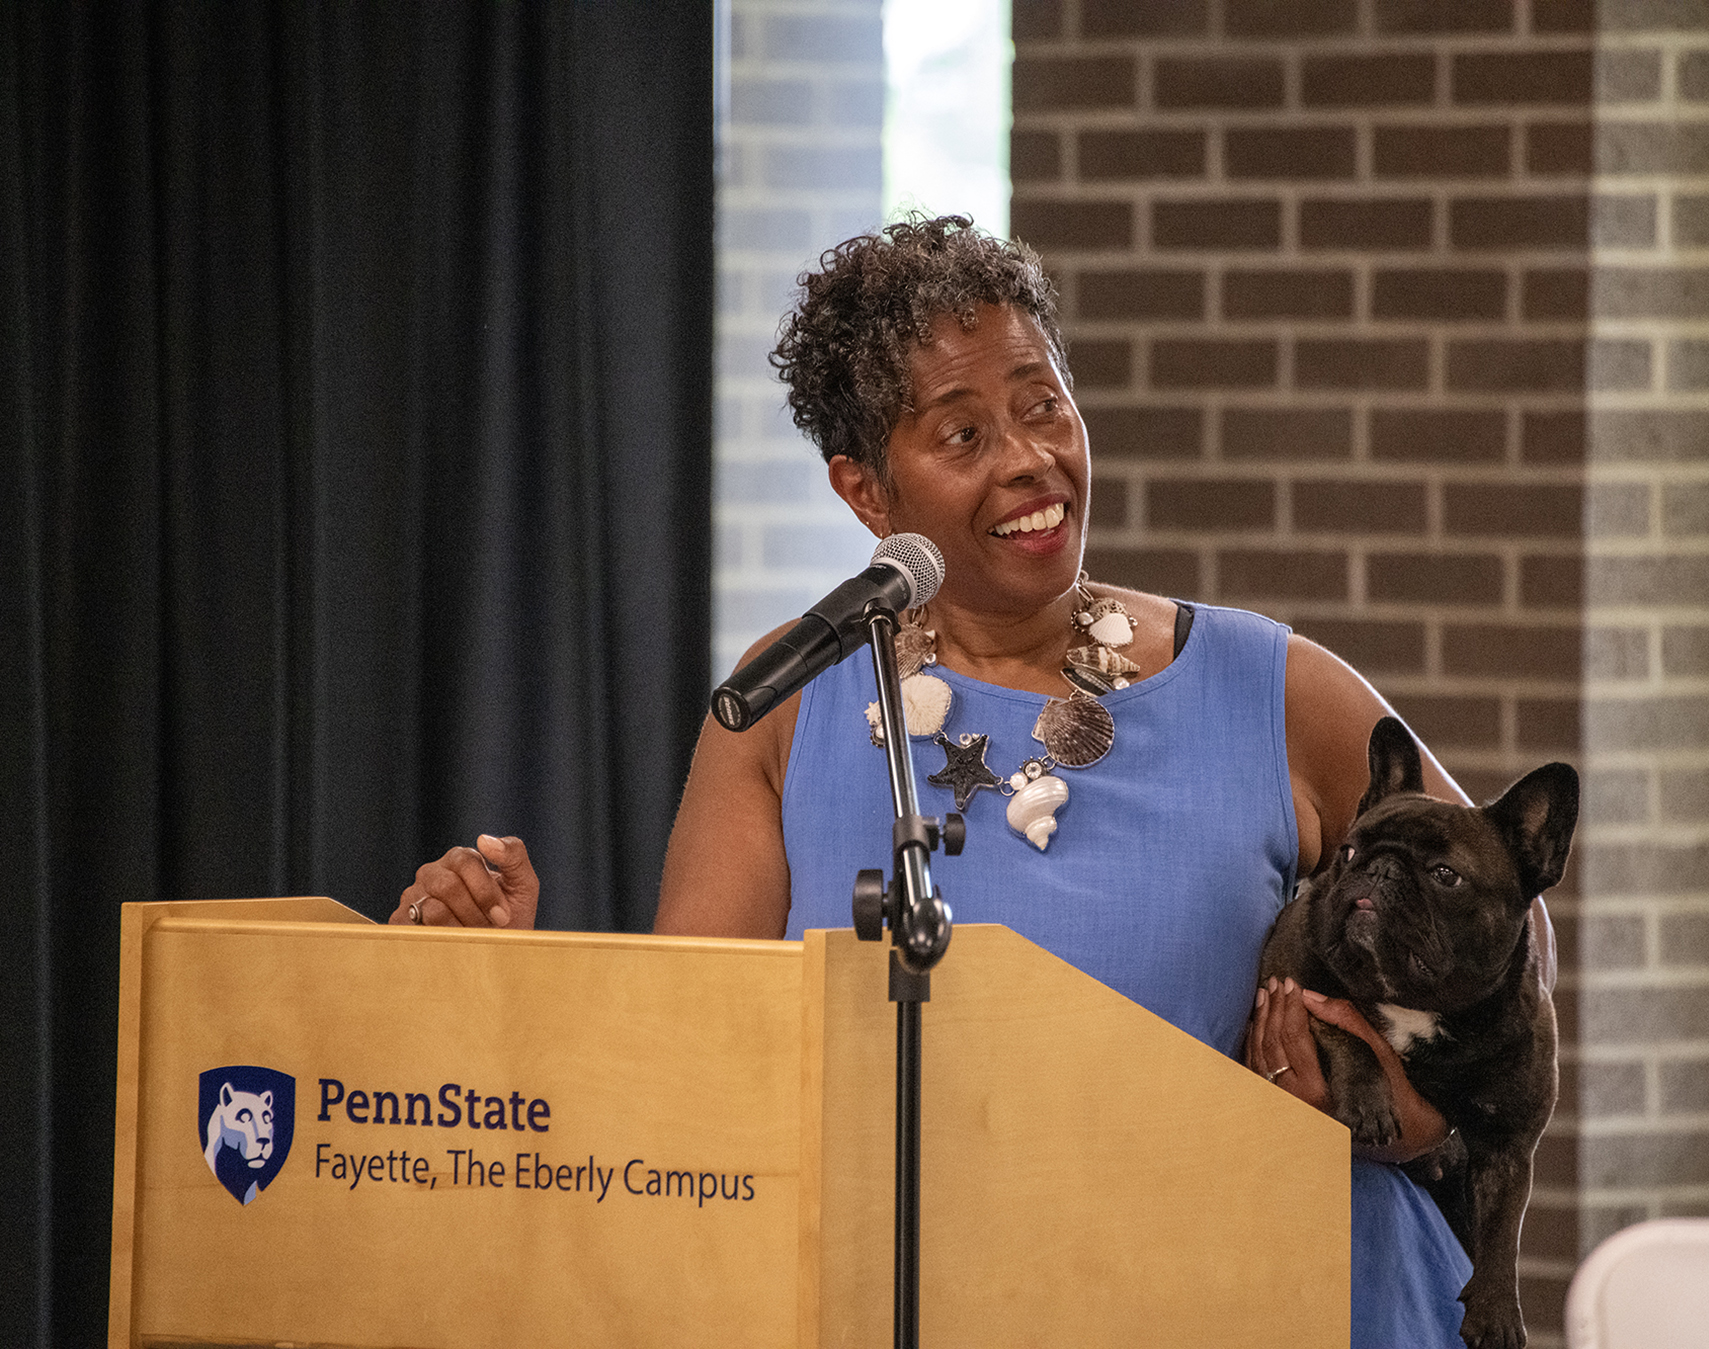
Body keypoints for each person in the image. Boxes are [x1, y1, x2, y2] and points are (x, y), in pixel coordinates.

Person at [393, 214, 1551, 1346]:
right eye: (962, 434)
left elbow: (1511, 911)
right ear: (864, 491)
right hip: (915, 1302)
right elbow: (702, 1057)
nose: (1031, 458)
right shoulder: (788, 695)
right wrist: (503, 978)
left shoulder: (1274, 687)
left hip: (1275, 1293)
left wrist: (1414, 1112)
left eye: (1044, 402)